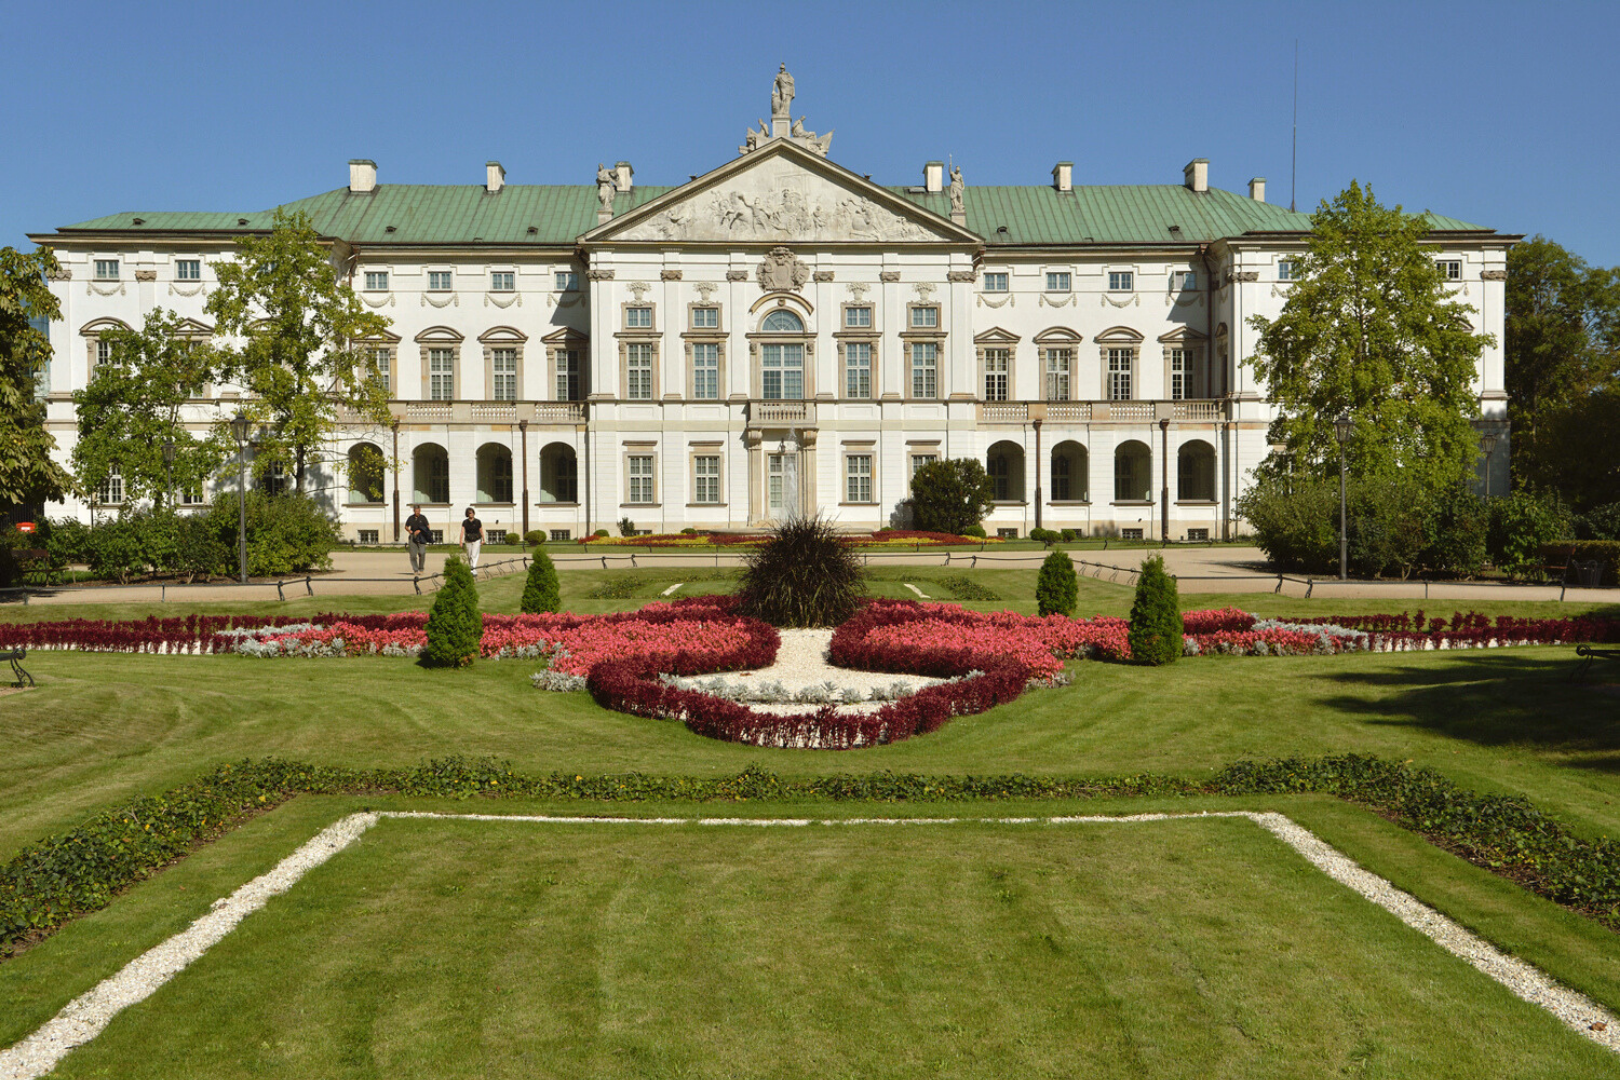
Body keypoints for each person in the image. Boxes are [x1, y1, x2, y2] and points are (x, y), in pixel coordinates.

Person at [404, 505, 431, 573]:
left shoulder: (423, 518)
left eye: (418, 511)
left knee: (422, 553)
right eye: (416, 511)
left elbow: (428, 527)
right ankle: (415, 569)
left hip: (421, 537)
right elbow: (406, 526)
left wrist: (420, 530)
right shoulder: (411, 518)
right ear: (414, 511)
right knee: (412, 555)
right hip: (413, 537)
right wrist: (409, 530)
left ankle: (421, 568)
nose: (417, 512)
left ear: (420, 510)